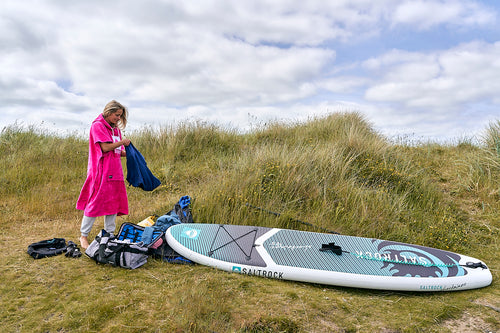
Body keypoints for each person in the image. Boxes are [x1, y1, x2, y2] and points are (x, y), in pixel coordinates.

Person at [76, 100, 131, 249]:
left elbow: (116, 152)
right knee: (94, 203)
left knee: (113, 204)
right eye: (117, 115)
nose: (118, 118)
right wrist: (122, 143)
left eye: (120, 116)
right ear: (108, 112)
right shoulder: (97, 126)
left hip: (115, 172)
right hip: (101, 171)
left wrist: (130, 154)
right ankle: (83, 236)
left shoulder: (116, 130)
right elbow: (105, 147)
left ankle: (109, 235)